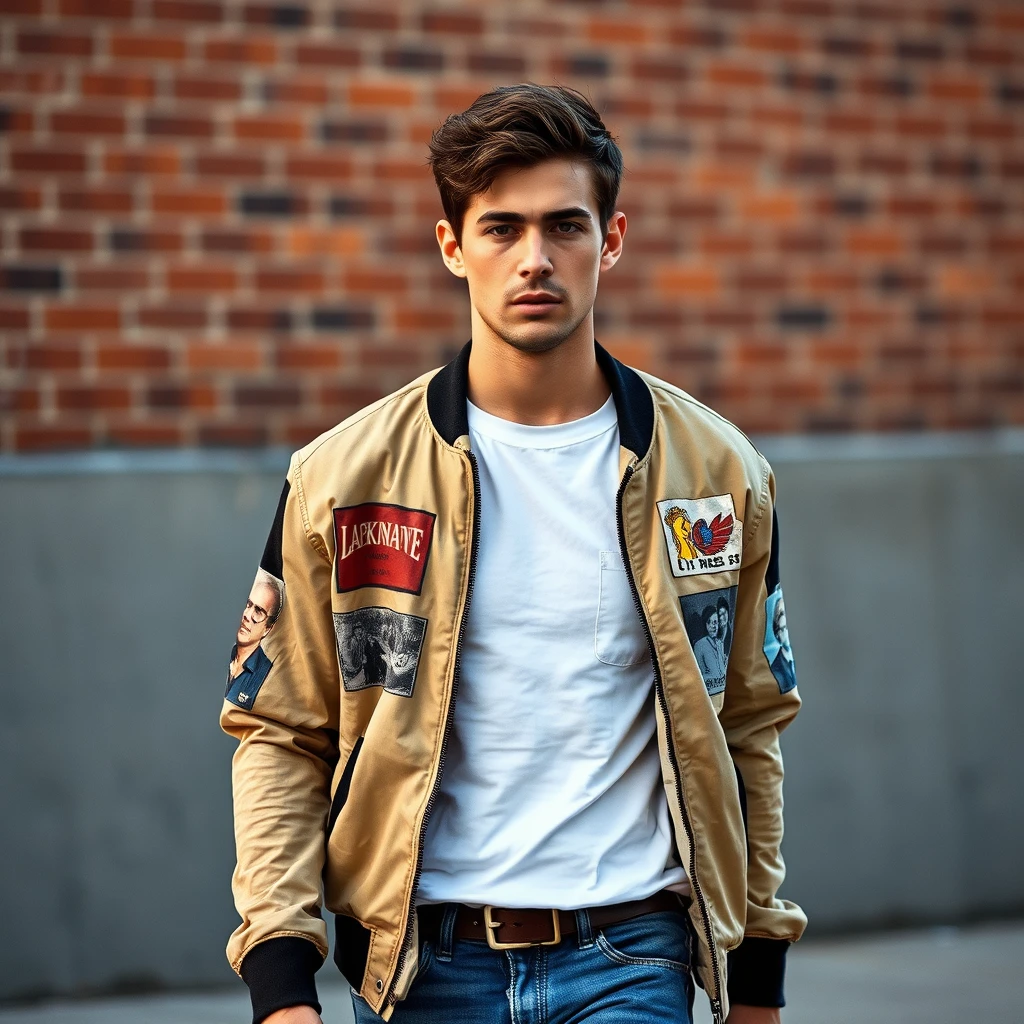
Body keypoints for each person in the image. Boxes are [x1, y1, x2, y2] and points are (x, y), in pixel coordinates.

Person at [221, 84, 805, 1024]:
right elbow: (281, 728)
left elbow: (749, 723)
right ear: (452, 246)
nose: (535, 259)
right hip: (424, 967)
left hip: (633, 954)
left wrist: (761, 975)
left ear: (611, 239)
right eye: (500, 229)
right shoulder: (345, 477)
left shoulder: (716, 474)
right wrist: (282, 982)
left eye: (565, 226)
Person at [225, 569, 283, 706]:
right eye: (248, 605)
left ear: (268, 629)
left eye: (258, 611)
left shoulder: (267, 677)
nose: (247, 615)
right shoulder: (223, 653)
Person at [693, 605, 728, 694]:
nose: (713, 626)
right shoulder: (699, 645)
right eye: (709, 622)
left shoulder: (720, 643)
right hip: (708, 694)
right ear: (705, 624)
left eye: (715, 622)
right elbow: (699, 675)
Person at [768, 595, 797, 695]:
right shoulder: (776, 669)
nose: (785, 632)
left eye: (786, 627)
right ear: (777, 633)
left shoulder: (789, 660)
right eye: (782, 628)